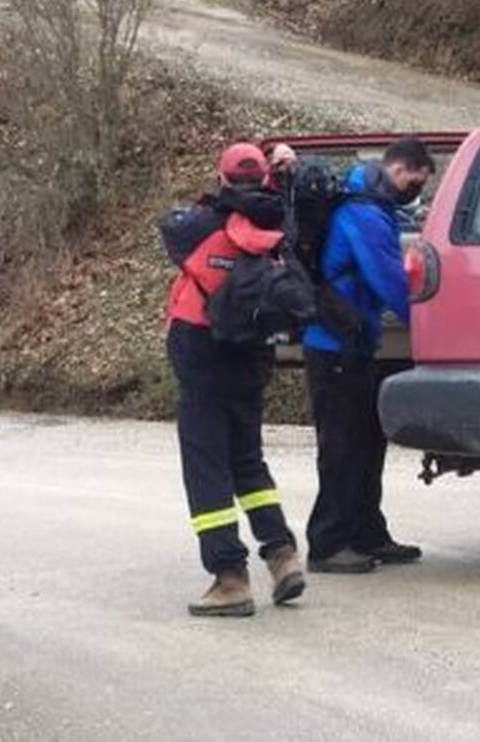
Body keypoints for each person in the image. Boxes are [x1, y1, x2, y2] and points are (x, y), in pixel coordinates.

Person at [164, 143, 306, 617]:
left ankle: (229, 578)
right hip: (252, 356)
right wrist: (277, 183)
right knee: (247, 460)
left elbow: (171, 225)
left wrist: (222, 198)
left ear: (222, 178)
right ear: (265, 178)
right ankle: (282, 556)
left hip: (203, 352)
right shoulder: (279, 225)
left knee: (206, 467)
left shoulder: (200, 227)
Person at [303, 138, 436, 574]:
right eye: (415, 182)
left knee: (365, 443)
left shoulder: (372, 207)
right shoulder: (364, 214)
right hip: (334, 347)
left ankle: (367, 534)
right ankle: (327, 544)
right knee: (342, 447)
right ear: (399, 170)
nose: (415, 191)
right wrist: (433, 326)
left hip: (353, 343)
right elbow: (389, 281)